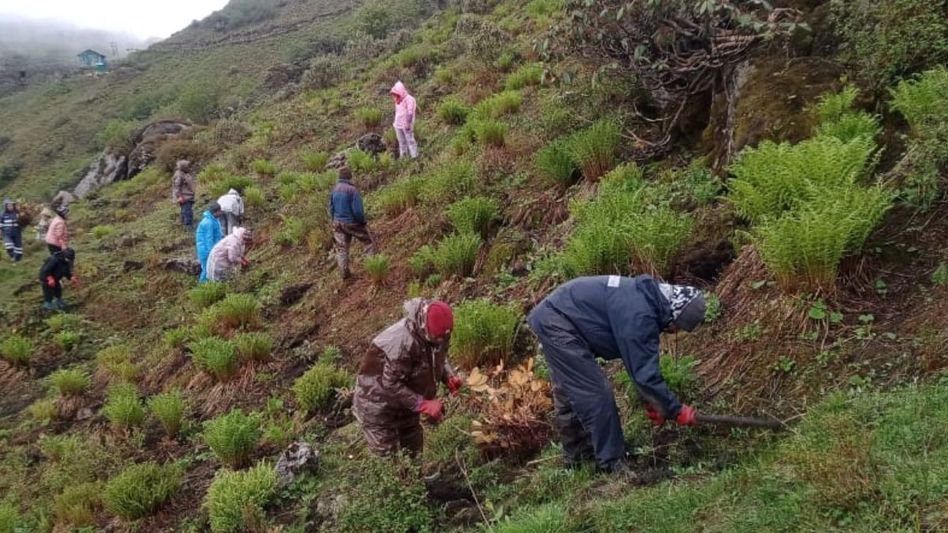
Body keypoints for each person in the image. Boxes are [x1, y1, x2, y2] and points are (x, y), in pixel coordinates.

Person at [526, 275, 706, 473]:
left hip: (557, 313)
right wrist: (675, 409)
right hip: (558, 320)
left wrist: (654, 402)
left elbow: (637, 365)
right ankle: (613, 463)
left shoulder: (645, 300)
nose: (674, 331)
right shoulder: (641, 315)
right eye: (678, 326)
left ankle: (578, 458)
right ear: (675, 313)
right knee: (595, 393)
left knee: (571, 391)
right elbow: (644, 375)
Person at [353, 299, 462, 456]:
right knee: (388, 457)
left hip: (406, 401)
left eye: (443, 338)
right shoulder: (402, 343)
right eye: (437, 339)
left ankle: (417, 480)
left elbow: (438, 355)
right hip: (377, 404)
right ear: (425, 329)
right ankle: (399, 480)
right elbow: (390, 384)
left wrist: (449, 376)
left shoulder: (439, 333)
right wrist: (422, 404)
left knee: (413, 445)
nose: (441, 342)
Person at [329, 167, 376, 279]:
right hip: (351, 223)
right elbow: (358, 211)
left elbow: (331, 208)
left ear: (339, 177)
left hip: (337, 224)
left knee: (342, 249)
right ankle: (373, 267)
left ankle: (344, 275)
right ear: (350, 176)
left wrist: (333, 221)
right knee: (368, 242)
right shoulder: (352, 190)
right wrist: (362, 222)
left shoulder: (334, 189)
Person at [195, 202, 224, 283]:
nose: (221, 212)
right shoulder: (208, 222)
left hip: (211, 248)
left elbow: (218, 233)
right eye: (219, 211)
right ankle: (202, 287)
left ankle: (209, 285)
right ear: (215, 212)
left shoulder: (214, 219)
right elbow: (209, 239)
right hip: (205, 250)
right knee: (207, 269)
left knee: (210, 269)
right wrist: (212, 251)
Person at [390, 81, 418, 159]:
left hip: (406, 124)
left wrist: (408, 123)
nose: (395, 96)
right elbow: (398, 112)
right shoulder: (398, 100)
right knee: (401, 142)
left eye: (396, 93)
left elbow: (410, 112)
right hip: (398, 124)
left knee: (410, 140)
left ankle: (414, 157)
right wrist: (396, 122)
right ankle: (404, 157)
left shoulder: (409, 99)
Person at [172, 160, 196, 229]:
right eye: (188, 167)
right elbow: (176, 187)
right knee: (187, 212)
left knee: (185, 211)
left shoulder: (185, 173)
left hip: (188, 196)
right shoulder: (179, 175)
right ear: (183, 167)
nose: (189, 168)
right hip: (184, 197)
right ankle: (188, 227)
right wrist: (180, 197)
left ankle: (184, 225)